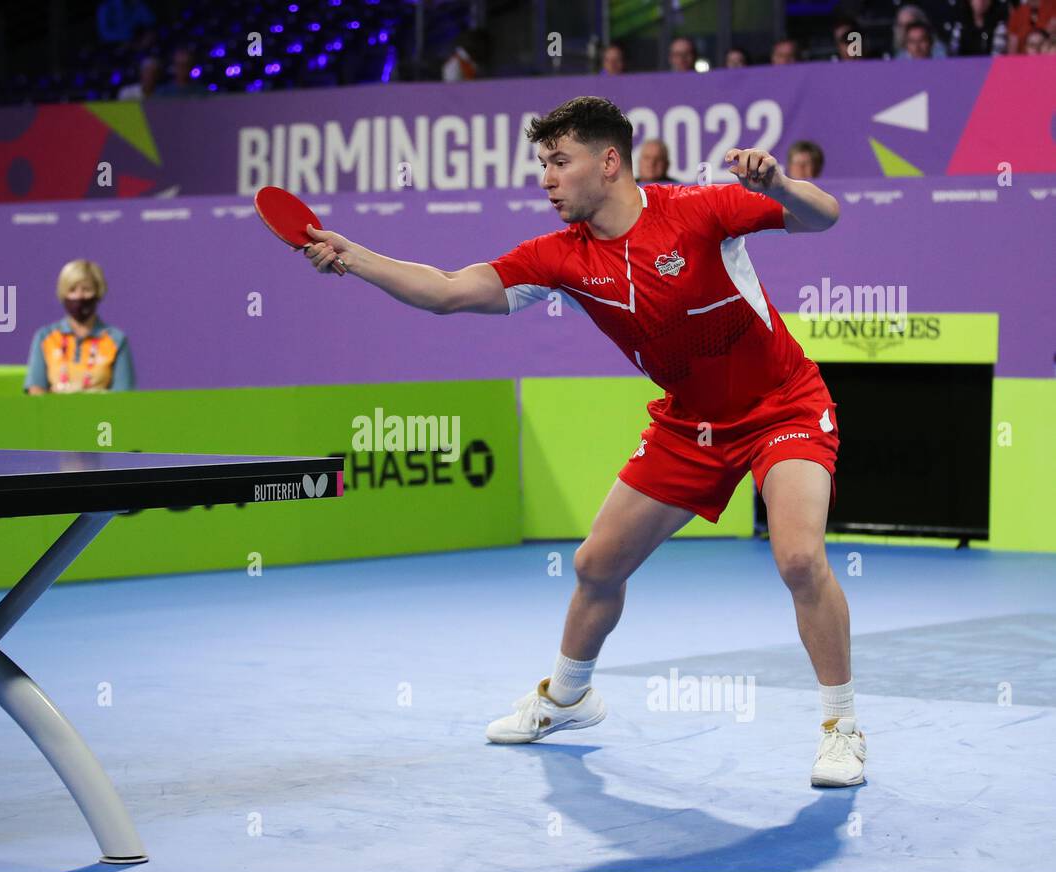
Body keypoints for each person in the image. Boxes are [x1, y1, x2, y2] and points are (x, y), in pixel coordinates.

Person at [299, 96, 863, 787]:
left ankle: (841, 729)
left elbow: (823, 216)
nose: (546, 178)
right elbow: (448, 290)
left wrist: (775, 184)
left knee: (800, 557)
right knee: (596, 565)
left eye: (558, 162)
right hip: (690, 425)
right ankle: (568, 698)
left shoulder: (699, 210)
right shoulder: (559, 258)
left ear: (609, 162)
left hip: (783, 408)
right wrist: (351, 256)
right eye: (543, 163)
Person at [25, 259, 135, 394]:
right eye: (72, 290)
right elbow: (36, 389)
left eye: (87, 290)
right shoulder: (45, 337)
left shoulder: (116, 339)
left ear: (98, 292)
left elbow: (123, 394)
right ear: (63, 293)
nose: (79, 296)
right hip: (56, 413)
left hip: (101, 414)